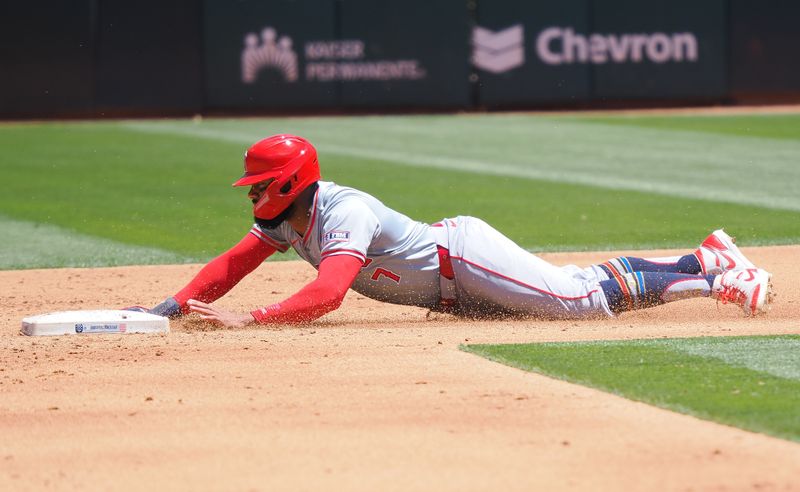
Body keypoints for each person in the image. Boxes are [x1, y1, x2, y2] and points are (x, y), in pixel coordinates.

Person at [132, 134, 774, 327]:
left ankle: (718, 282)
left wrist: (256, 319)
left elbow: (328, 294)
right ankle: (703, 258)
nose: (254, 199)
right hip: (449, 285)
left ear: (293, 182)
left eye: (261, 186)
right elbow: (233, 264)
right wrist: (177, 303)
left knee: (581, 302)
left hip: (460, 258)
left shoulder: (341, 212)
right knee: (575, 283)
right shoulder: (288, 220)